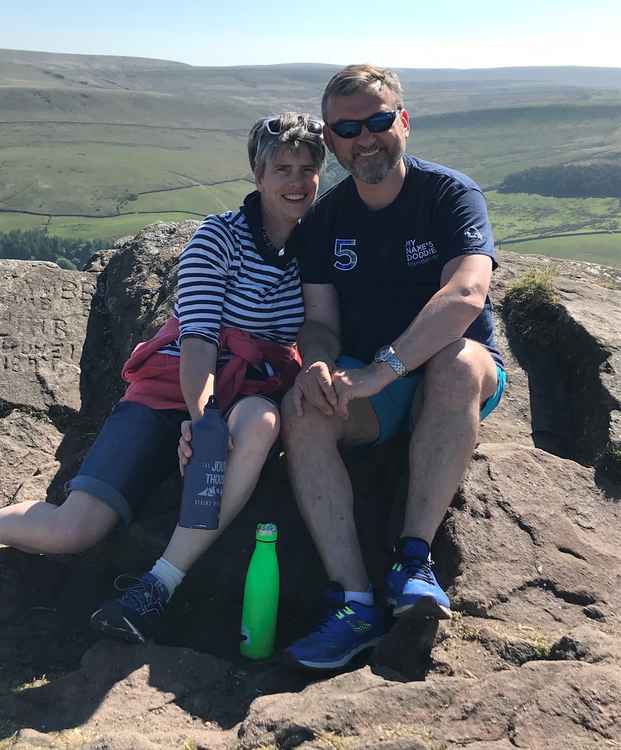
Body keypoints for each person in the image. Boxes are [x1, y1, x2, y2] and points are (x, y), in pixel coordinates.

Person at [0, 113, 326, 644]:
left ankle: (158, 585)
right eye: (282, 168)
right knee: (72, 531)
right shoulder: (217, 238)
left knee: (262, 422)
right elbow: (197, 338)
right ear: (257, 174)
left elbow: (320, 326)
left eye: (307, 169)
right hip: (172, 386)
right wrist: (203, 420)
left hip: (251, 388)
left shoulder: (316, 248)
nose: (296, 181)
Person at [277, 65, 507, 671]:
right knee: (302, 411)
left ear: (403, 121)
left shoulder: (448, 194)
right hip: (372, 384)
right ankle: (355, 602)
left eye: (379, 120)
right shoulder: (326, 220)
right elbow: (320, 323)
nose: (366, 137)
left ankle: (413, 562)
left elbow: (466, 295)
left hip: (451, 372)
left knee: (454, 362)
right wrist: (319, 367)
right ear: (330, 141)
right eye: (348, 128)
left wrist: (384, 368)